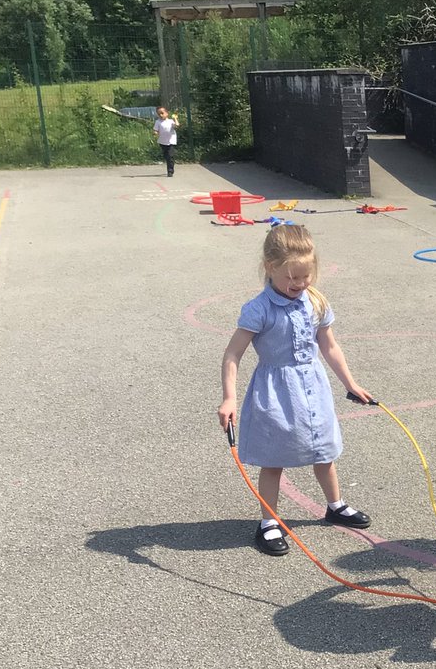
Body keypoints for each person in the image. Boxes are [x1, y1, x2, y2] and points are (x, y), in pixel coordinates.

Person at [217, 225, 374, 557]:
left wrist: (351, 383)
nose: (300, 284)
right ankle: (268, 522)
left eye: (306, 276)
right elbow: (233, 354)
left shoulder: (314, 301)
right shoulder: (258, 309)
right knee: (273, 461)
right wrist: (229, 397)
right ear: (270, 267)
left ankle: (335, 505)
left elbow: (329, 346)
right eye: (292, 277)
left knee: (324, 451)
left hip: (313, 388)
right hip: (276, 393)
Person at [153, 107, 179, 177]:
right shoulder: (158, 122)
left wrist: (175, 118)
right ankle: (169, 164)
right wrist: (155, 132)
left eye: (162, 113)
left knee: (170, 156)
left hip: (171, 141)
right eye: (159, 114)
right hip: (162, 142)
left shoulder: (171, 121)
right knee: (166, 156)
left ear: (167, 113)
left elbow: (176, 125)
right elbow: (156, 130)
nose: (161, 115)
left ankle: (170, 171)